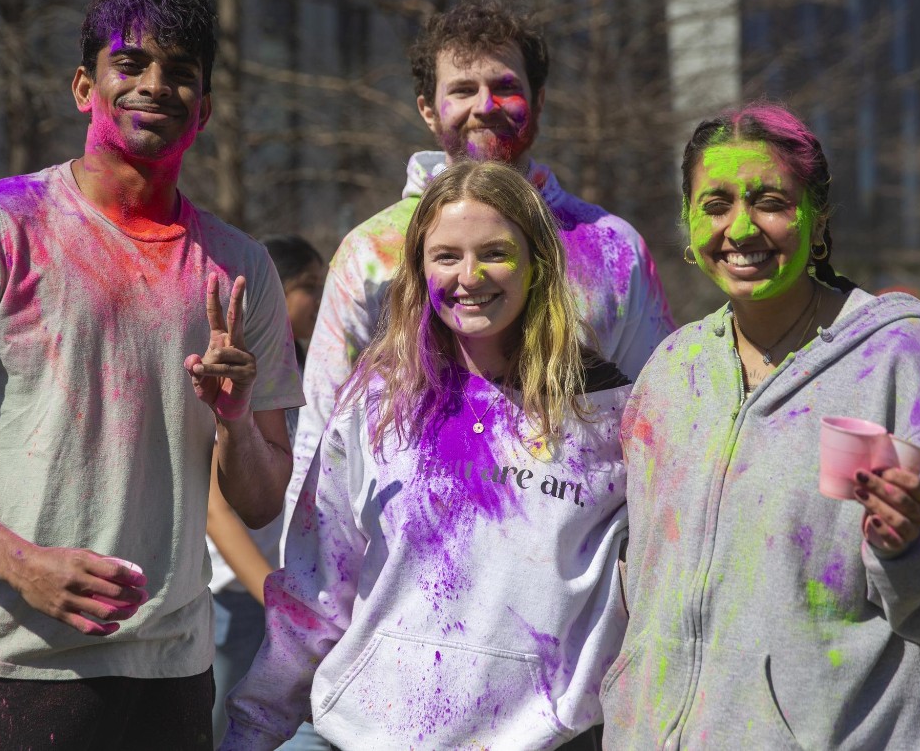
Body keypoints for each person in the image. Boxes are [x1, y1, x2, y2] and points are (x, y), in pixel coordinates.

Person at [0, 0, 303, 749]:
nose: (155, 84)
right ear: (85, 87)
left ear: (204, 107)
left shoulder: (242, 269)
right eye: (131, 62)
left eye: (180, 70)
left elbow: (260, 501)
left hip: (167, 679)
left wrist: (233, 419)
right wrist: (20, 563)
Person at [601, 103, 920, 748]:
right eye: (715, 204)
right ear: (688, 221)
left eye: (770, 202)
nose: (741, 227)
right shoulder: (670, 375)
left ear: (818, 217)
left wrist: (909, 550)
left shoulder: (892, 359)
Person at [223, 161, 632, 750]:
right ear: (419, 269)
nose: (469, 276)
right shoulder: (379, 401)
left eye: (495, 253)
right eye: (446, 256)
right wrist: (253, 728)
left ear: (538, 262)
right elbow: (315, 590)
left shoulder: (608, 413)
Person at [287, 0, 674, 550]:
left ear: (539, 99)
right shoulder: (371, 252)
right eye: (463, 89)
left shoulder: (615, 249)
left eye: (505, 85)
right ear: (428, 109)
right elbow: (321, 436)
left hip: (567, 570)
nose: (485, 105)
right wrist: (307, 583)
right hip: (412, 568)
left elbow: (653, 426)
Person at [207, 234, 327, 748]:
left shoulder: (309, 370)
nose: (321, 300)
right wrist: (274, 599)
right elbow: (214, 511)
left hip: (281, 594)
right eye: (309, 286)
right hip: (234, 598)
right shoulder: (234, 371)